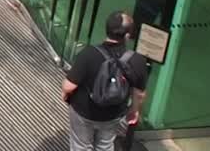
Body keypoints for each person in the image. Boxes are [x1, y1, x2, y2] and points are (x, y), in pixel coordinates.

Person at [62, 11, 149, 151]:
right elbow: (139, 94)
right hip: (113, 113)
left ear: (107, 29)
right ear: (127, 35)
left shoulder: (89, 54)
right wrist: (134, 110)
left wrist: (66, 95)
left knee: (81, 146)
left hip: (84, 111)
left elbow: (68, 86)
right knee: (105, 145)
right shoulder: (137, 60)